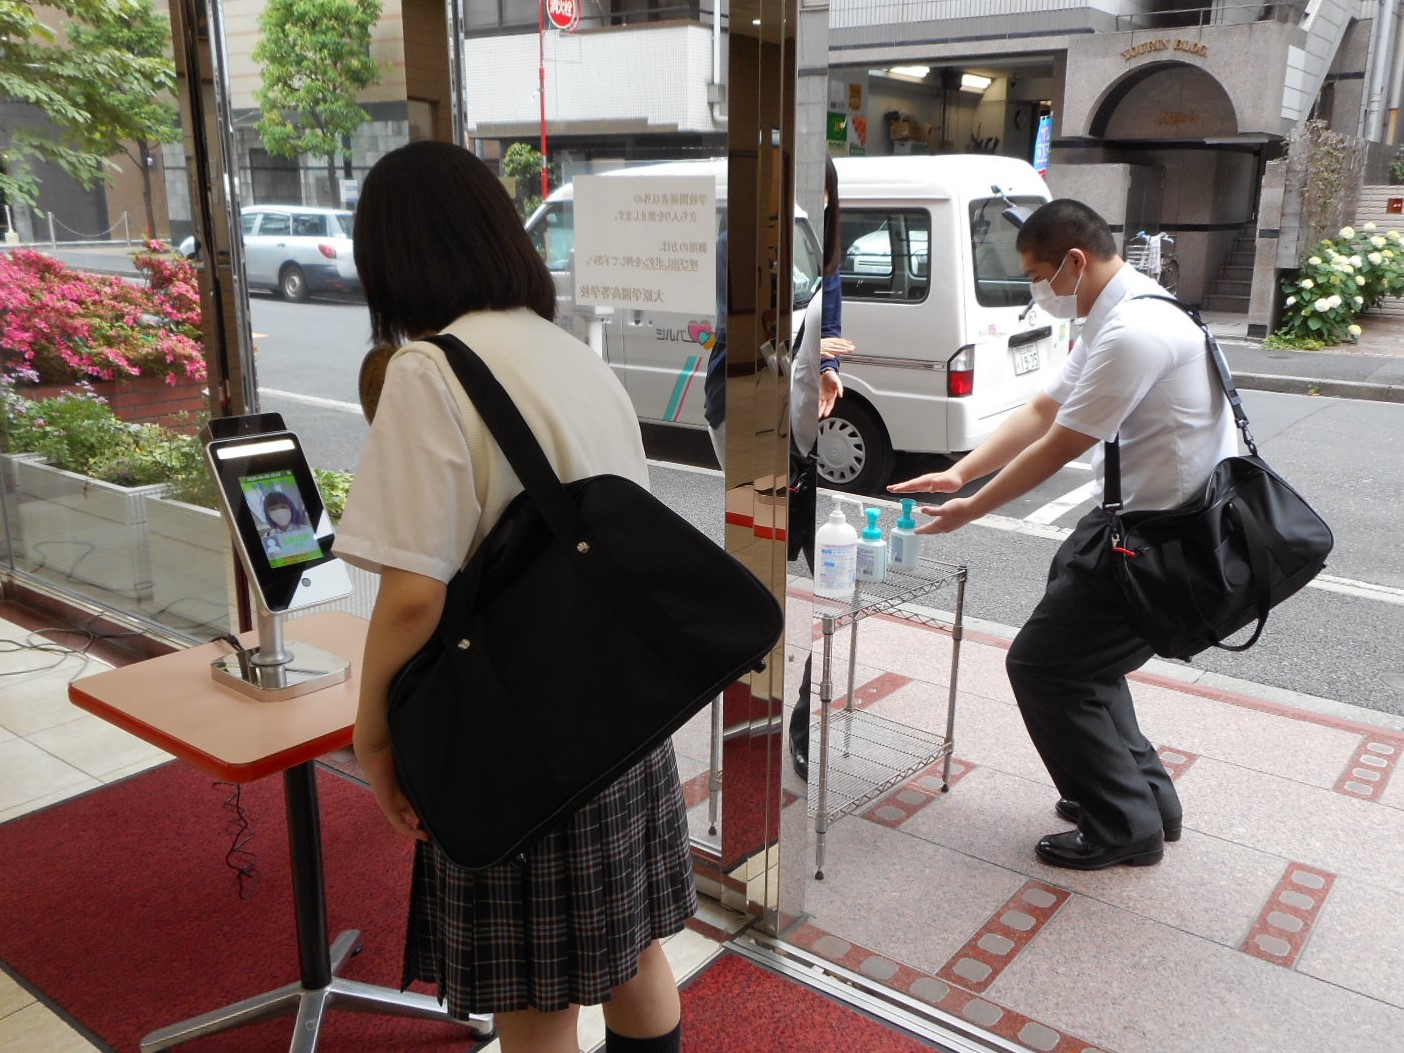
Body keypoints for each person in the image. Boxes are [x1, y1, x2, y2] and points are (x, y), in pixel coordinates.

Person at [334, 140, 697, 1053]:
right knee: (633, 955)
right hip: (622, 714)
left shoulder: (430, 370)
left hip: (521, 732)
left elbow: (414, 595)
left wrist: (372, 735)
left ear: (395, 258)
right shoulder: (570, 354)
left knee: (539, 1008)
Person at [888, 199, 1235, 870]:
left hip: (1163, 538)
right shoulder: (1120, 313)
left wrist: (972, 506)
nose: (1035, 291)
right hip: (1146, 522)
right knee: (1087, 664)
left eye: (1037, 273)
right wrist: (957, 472)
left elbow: (1061, 444)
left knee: (1043, 664)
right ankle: (1143, 801)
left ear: (1076, 261)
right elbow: (1045, 409)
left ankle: (1123, 825)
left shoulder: (1133, 331)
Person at [788, 156, 854, 780]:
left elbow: (828, 324)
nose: (823, 206)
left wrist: (830, 367)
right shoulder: (746, 240)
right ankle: (758, 713)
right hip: (756, 432)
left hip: (800, 438)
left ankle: (805, 716)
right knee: (756, 580)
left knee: (831, 582)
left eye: (829, 196)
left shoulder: (824, 254)